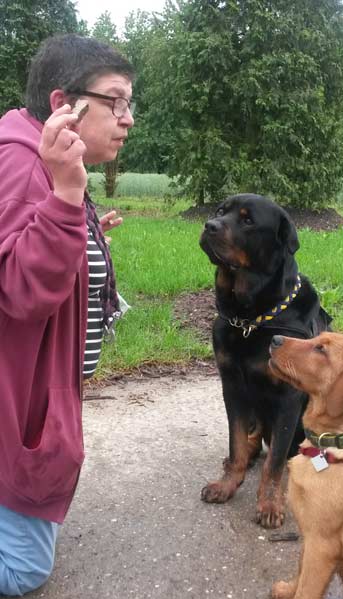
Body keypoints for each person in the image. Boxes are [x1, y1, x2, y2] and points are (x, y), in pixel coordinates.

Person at [0, 34, 135, 595]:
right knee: (23, 571)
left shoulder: (44, 162)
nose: (127, 118)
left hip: (34, 392)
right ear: (64, 104)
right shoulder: (22, 163)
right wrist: (64, 201)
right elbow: (17, 287)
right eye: (115, 101)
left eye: (130, 103)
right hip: (16, 400)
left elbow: (30, 241)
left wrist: (82, 232)